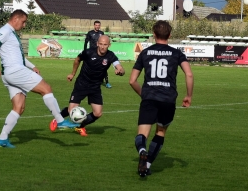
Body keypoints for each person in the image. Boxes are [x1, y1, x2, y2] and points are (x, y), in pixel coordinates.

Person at [0, 9, 78, 148]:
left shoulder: (11, 33)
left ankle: (2, 139)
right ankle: (59, 120)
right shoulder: (5, 31)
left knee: (19, 107)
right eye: (23, 22)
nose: (24, 25)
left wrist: (32, 66)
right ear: (15, 19)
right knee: (46, 89)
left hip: (11, 73)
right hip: (15, 71)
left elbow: (18, 57)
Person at [129, 20, 194, 177]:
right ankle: (147, 165)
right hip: (168, 99)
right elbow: (189, 74)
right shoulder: (176, 53)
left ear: (153, 34)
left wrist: (144, 94)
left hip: (149, 97)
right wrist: (188, 95)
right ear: (170, 35)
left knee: (142, 134)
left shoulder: (145, 52)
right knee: (160, 131)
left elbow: (132, 80)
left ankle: (142, 150)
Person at [50, 35, 125, 136]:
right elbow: (77, 60)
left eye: (105, 45)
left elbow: (120, 67)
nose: (103, 47)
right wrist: (72, 74)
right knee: (70, 110)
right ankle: (57, 119)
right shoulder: (89, 52)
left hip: (95, 87)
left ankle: (80, 127)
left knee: (98, 113)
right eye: (101, 44)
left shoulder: (110, 56)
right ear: (98, 43)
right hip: (82, 84)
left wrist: (120, 71)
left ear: (109, 45)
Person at [84, 20, 111, 88]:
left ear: (100, 26)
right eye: (96, 25)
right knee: (89, 67)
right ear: (94, 26)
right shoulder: (90, 33)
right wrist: (85, 51)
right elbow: (86, 42)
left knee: (103, 67)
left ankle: (107, 83)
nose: (97, 26)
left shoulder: (101, 33)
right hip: (92, 53)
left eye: (98, 25)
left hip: (100, 53)